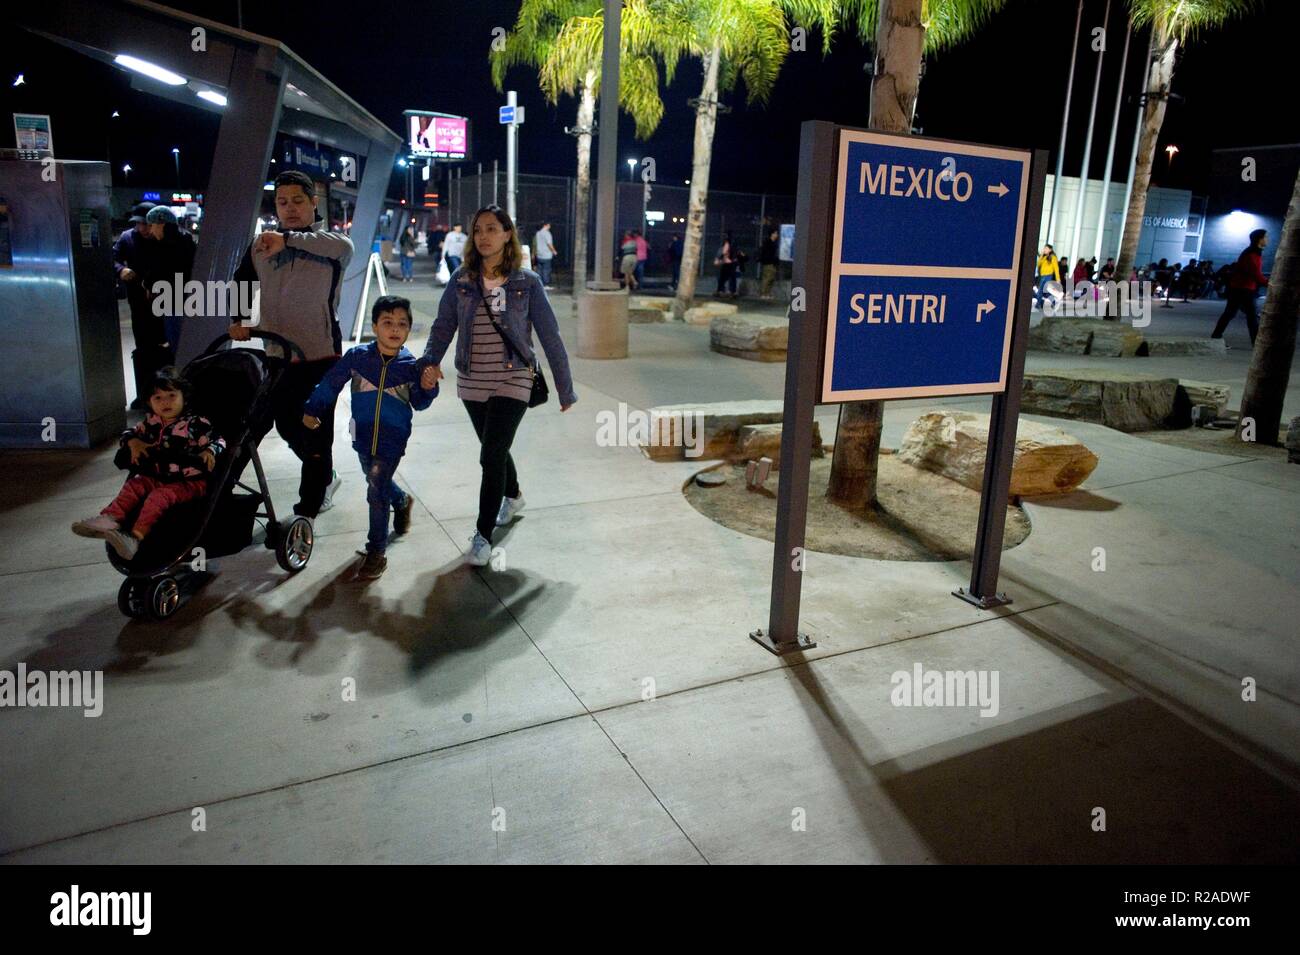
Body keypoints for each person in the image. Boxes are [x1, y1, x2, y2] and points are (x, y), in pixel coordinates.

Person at [420, 204, 577, 567]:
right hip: (473, 377)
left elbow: (550, 336)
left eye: (492, 228)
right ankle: (515, 494)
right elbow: (444, 325)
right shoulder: (462, 279)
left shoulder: (527, 282)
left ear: (508, 234)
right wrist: (430, 361)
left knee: (489, 454)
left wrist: (565, 388)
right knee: (495, 447)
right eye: (479, 230)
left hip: (514, 375)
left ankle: (482, 536)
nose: (484, 236)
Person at [228, 170, 353, 518]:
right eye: (283, 202)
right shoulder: (261, 245)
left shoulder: (333, 245)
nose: (290, 208)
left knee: (315, 429)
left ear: (314, 203)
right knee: (284, 424)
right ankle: (326, 477)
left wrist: (290, 240)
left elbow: (340, 247)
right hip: (277, 354)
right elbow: (241, 281)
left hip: (320, 354)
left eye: (298, 201)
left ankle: (308, 508)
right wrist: (239, 320)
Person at [303, 295, 438, 580]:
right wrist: (313, 408)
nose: (395, 329)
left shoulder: (410, 366)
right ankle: (401, 501)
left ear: (409, 329)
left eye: (402, 323)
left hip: (393, 438)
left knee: (376, 487)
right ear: (374, 326)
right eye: (387, 322)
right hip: (362, 435)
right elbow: (330, 383)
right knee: (374, 476)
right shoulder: (357, 358)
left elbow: (420, 403)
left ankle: (376, 551)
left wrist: (428, 387)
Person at [71, 367, 224, 561]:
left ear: (183, 397)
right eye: (157, 398)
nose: (165, 402)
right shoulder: (151, 422)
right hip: (158, 476)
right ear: (149, 402)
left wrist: (209, 451)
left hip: (190, 482)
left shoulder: (195, 423)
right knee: (134, 485)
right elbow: (128, 433)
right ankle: (110, 519)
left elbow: (218, 441)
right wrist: (134, 443)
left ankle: (135, 537)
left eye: (171, 395)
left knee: (158, 497)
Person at [114, 201, 167, 410]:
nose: (143, 228)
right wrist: (120, 270)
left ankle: (165, 395)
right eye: (139, 224)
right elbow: (113, 257)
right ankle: (144, 395)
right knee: (143, 350)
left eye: (146, 224)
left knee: (164, 350)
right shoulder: (128, 238)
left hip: (164, 302)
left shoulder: (163, 238)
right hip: (139, 304)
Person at [142, 206, 197, 354]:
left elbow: (159, 271)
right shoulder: (185, 239)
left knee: (178, 346)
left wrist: (148, 284)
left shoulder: (168, 244)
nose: (151, 231)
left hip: (176, 302)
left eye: (152, 225)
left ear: (161, 223)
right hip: (184, 301)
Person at [1211, 229, 1269, 346]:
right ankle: (1257, 343)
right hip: (1243, 288)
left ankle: (1216, 335)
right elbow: (1255, 273)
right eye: (1266, 237)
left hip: (1240, 287)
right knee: (1251, 315)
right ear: (1259, 239)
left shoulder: (1253, 252)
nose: (1267, 239)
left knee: (1231, 313)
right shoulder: (1252, 253)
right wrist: (1268, 283)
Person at [1034, 244, 1061, 309]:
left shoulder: (1053, 257)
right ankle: (1040, 304)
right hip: (1042, 276)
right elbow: (1038, 264)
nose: (1044, 250)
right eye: (1044, 248)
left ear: (1050, 250)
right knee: (1042, 291)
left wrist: (1058, 278)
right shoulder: (1044, 257)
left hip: (1048, 276)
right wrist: (1042, 255)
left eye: (1046, 248)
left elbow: (1056, 268)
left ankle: (1039, 304)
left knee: (1044, 290)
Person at [533, 220, 556, 289]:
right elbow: (549, 244)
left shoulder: (538, 233)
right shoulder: (547, 233)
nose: (550, 227)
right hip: (546, 255)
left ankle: (539, 284)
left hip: (539, 254)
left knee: (539, 270)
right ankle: (545, 285)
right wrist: (554, 251)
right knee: (546, 270)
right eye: (549, 225)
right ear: (546, 225)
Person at [759, 227, 779, 299]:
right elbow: (765, 253)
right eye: (776, 233)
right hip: (768, 263)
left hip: (773, 263)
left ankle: (768, 293)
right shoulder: (767, 242)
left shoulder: (774, 243)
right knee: (767, 278)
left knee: (771, 278)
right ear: (772, 234)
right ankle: (763, 293)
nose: (777, 235)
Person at [714, 232, 736, 298]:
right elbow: (722, 253)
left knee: (730, 278)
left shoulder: (731, 245)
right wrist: (719, 259)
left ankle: (730, 291)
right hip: (726, 264)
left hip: (729, 264)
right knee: (723, 278)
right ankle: (721, 290)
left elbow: (725, 253)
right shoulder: (726, 245)